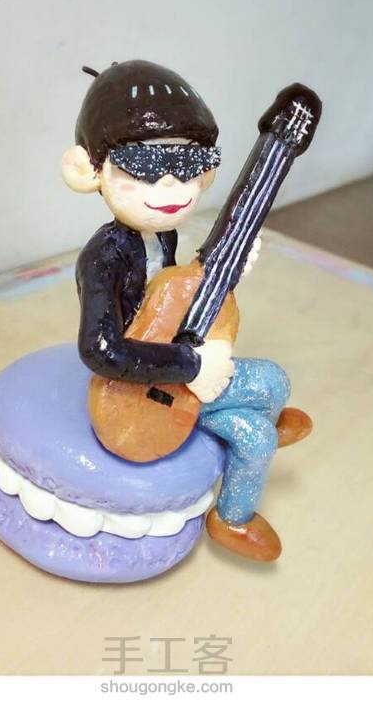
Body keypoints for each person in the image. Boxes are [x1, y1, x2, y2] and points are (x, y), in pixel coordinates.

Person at [62, 60, 310, 561]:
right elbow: (101, 349)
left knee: (273, 385)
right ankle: (233, 517)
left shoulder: (163, 236)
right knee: (259, 423)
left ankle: (251, 423)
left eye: (192, 168)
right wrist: (192, 366)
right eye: (145, 170)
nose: (173, 190)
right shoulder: (103, 257)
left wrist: (225, 269)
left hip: (173, 369)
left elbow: (167, 298)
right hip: (139, 393)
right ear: (88, 171)